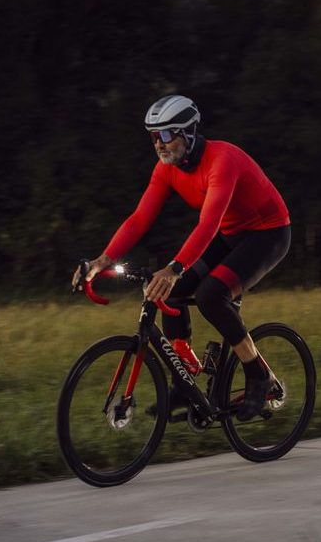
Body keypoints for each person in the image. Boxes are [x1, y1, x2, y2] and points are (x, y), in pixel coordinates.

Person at [73, 94, 291, 421]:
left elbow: (208, 223)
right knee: (170, 293)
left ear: (188, 133)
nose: (159, 145)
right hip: (230, 234)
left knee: (210, 296)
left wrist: (175, 267)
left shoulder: (222, 160)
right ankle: (183, 380)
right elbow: (139, 219)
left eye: (165, 135)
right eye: (152, 136)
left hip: (267, 234)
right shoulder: (166, 169)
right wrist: (101, 261)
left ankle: (259, 373)